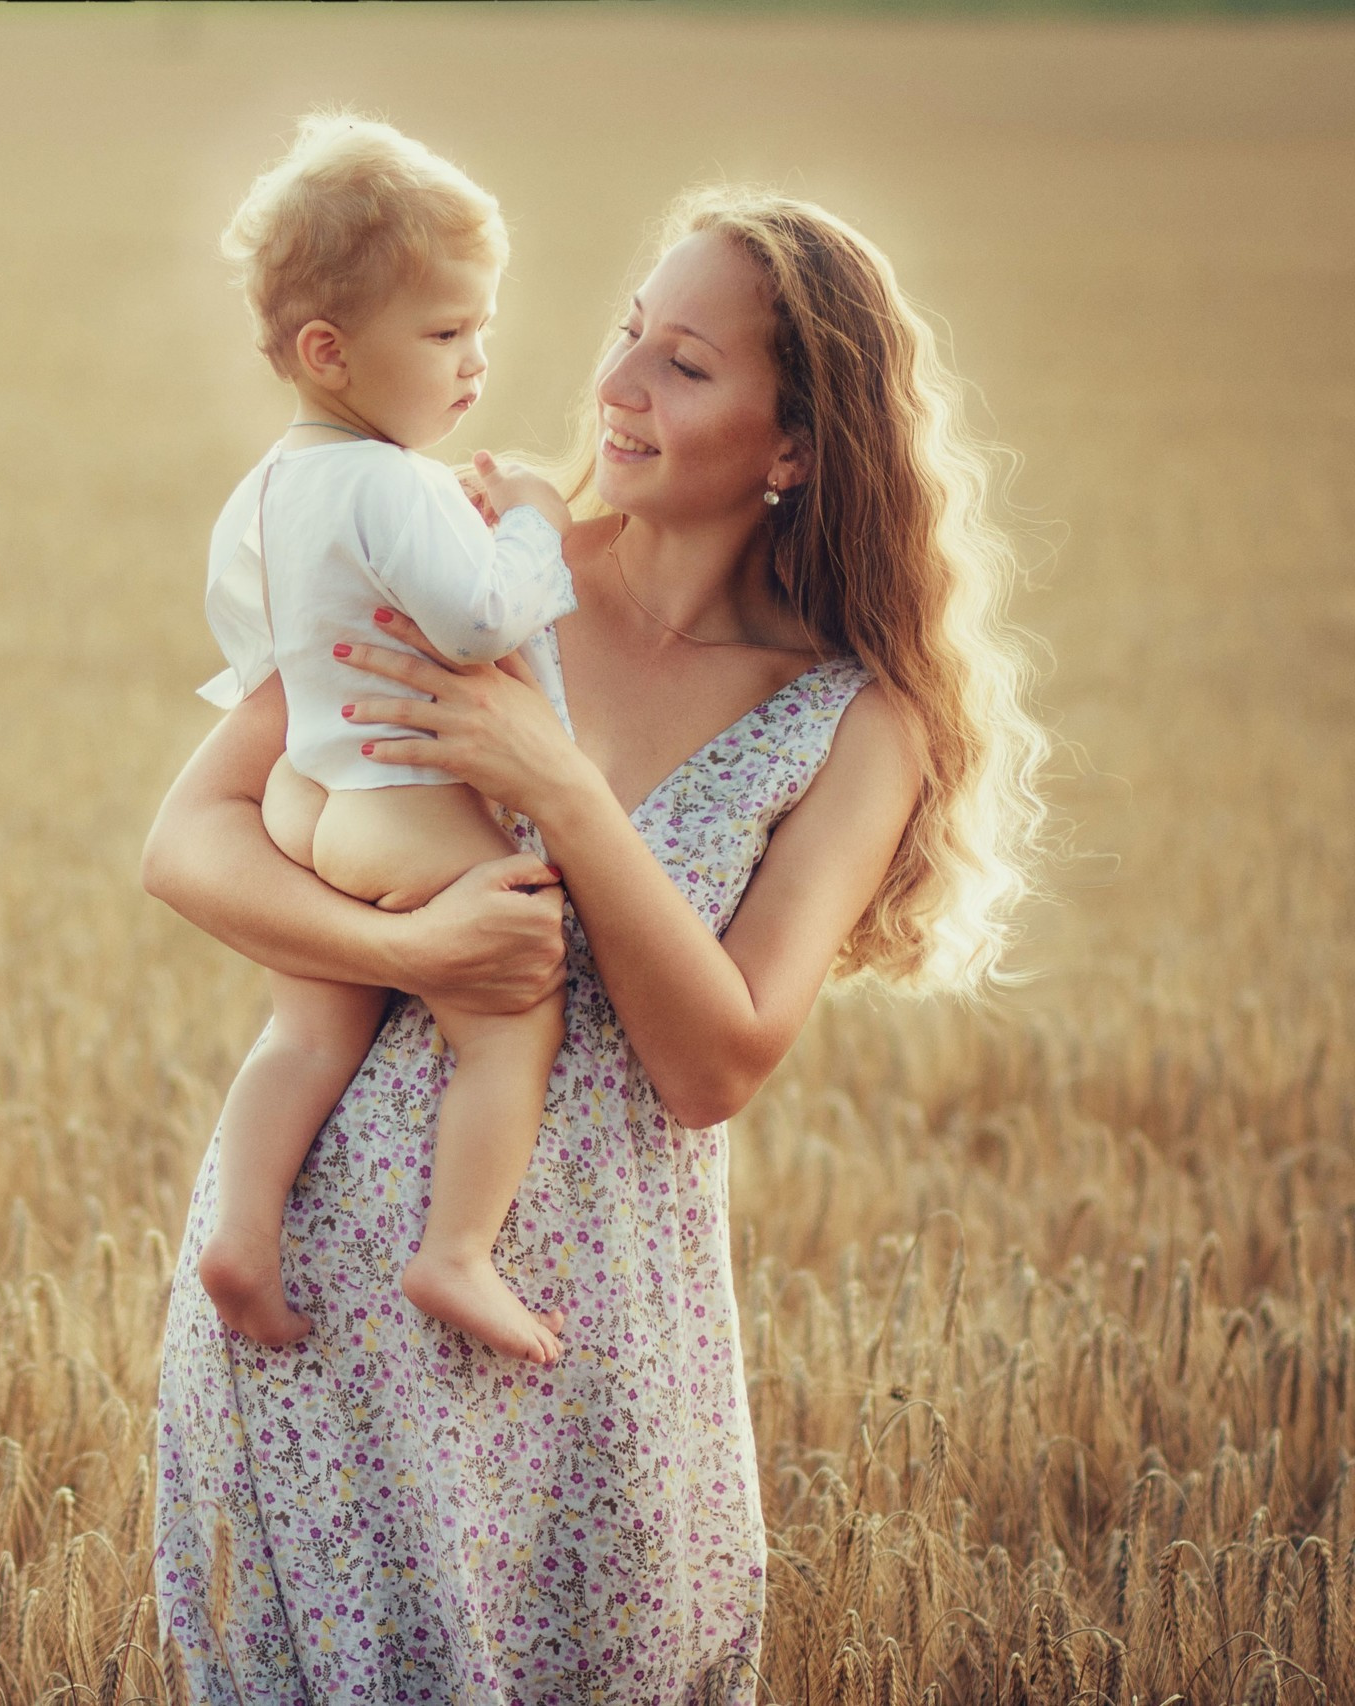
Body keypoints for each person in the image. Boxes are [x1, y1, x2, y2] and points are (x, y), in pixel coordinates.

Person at [147, 185, 1048, 1702]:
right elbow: (190, 839)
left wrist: (559, 788)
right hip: (315, 1306)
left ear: (794, 447)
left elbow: (716, 1062)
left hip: (592, 1349)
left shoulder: (853, 723)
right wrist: (418, 949)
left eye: (683, 364)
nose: (616, 382)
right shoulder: (473, 567)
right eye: (630, 333)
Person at [191, 113, 585, 1363]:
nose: (476, 360)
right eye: (445, 332)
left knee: (307, 1031)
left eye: (481, 328)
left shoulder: (266, 487)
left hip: (303, 791)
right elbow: (476, 618)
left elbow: (251, 648)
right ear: (329, 350)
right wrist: (530, 523)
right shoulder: (392, 480)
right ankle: (455, 1250)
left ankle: (242, 1234)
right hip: (394, 793)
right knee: (511, 1014)